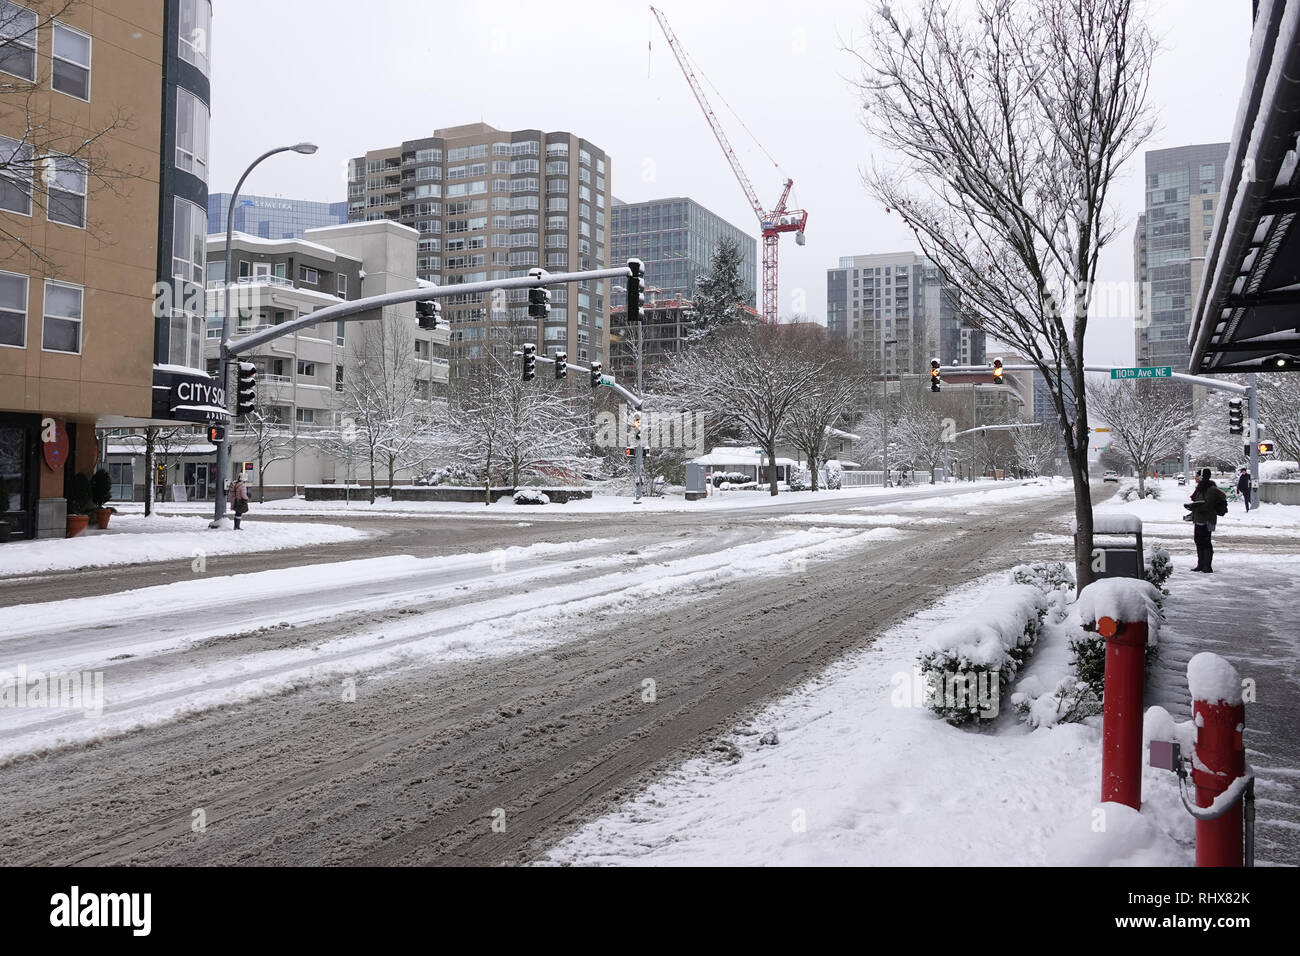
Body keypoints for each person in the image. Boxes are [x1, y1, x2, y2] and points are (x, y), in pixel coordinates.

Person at [1184, 467, 1226, 572]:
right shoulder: (1201, 487)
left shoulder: (1210, 489)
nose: (1196, 477)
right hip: (1199, 519)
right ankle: (1201, 565)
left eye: (1198, 475)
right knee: (1198, 541)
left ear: (1202, 476)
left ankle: (1207, 566)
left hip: (1207, 520)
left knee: (1206, 542)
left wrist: (1194, 507)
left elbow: (1207, 505)